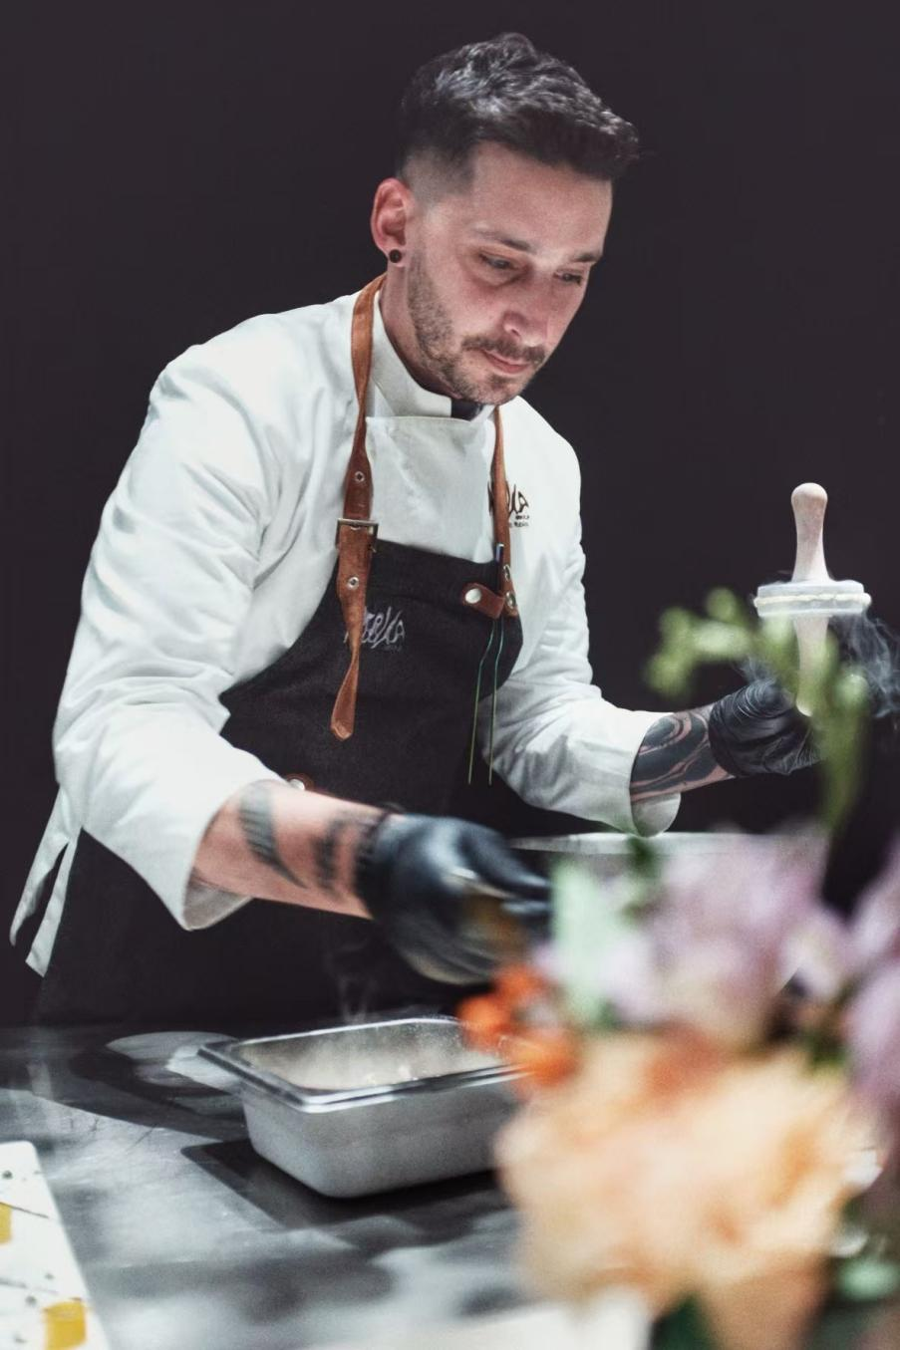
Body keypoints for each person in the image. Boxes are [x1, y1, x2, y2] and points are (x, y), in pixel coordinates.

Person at [11, 33, 814, 1026]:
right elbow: (121, 723)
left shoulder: (541, 463)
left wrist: (715, 742)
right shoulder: (239, 399)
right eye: (498, 262)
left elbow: (536, 722)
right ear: (397, 220)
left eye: (574, 274)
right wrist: (371, 855)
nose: (534, 321)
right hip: (146, 984)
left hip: (355, 995)